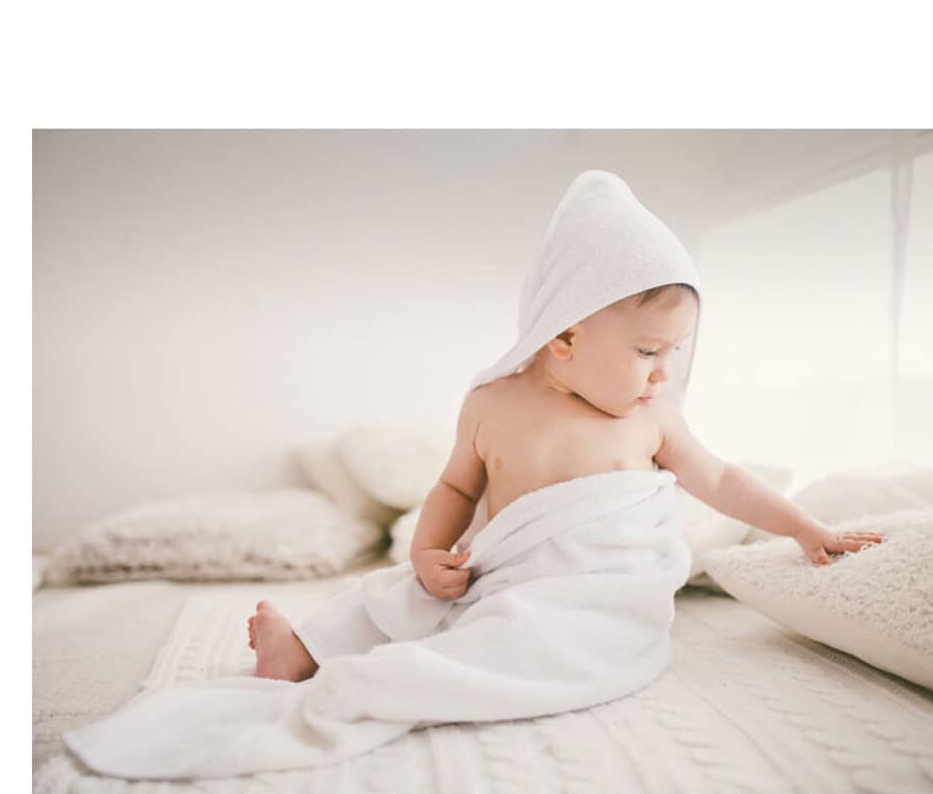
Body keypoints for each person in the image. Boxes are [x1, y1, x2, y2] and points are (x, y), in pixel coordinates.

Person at [246, 278, 884, 683]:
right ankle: (299, 650)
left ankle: (413, 675)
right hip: (500, 574)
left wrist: (804, 528)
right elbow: (456, 489)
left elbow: (718, 479)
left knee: (525, 632)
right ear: (566, 337)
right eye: (647, 351)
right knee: (387, 597)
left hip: (595, 592)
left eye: (674, 351)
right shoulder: (493, 404)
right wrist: (426, 553)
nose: (664, 372)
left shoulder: (652, 416)